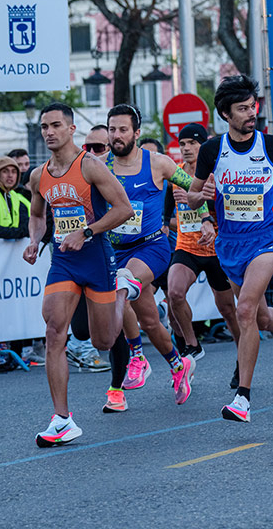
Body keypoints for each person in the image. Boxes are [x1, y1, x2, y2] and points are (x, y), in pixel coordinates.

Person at [188, 75, 273, 422]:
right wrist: (205, 206)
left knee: (243, 312)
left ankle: (242, 397)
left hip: (265, 241)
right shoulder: (213, 150)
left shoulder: (270, 145)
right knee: (260, 317)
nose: (250, 113)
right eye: (242, 109)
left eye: (252, 106)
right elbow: (194, 195)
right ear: (226, 114)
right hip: (230, 245)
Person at [24, 103, 136, 446]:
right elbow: (38, 215)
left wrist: (86, 232)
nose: (49, 132)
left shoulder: (90, 166)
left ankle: (123, 290)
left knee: (102, 341)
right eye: (44, 126)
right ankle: (62, 419)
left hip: (96, 257)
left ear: (71, 129)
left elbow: (124, 210)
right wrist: (33, 240)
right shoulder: (38, 175)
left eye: (56, 125)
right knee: (54, 330)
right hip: (64, 259)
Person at [104, 104, 199, 413]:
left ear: (136, 133)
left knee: (122, 285)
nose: (116, 135)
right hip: (116, 250)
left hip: (152, 247)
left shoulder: (158, 163)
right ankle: (177, 364)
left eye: (122, 129)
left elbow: (193, 188)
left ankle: (136, 357)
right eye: (112, 129)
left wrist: (208, 216)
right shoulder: (101, 166)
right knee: (149, 320)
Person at [165, 124, 240, 362]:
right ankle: (192, 344)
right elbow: (170, 216)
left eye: (192, 143)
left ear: (203, 144)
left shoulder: (216, 173)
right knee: (175, 293)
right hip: (187, 246)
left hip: (217, 248)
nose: (186, 148)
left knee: (228, 310)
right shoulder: (176, 174)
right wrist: (168, 222)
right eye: (183, 143)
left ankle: (243, 356)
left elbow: (230, 209)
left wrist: (203, 201)